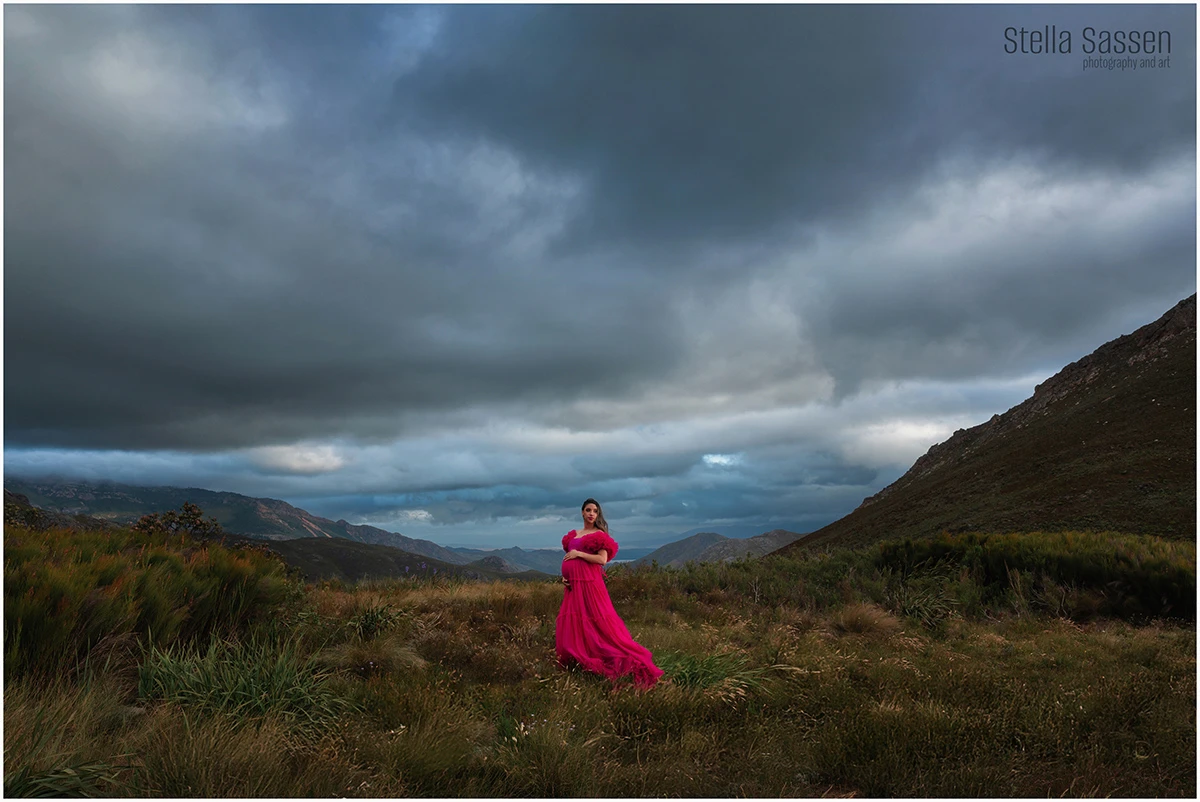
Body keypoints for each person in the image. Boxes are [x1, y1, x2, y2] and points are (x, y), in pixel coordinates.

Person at [555, 498, 663, 688]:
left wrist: (579, 554)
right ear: (582, 512)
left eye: (595, 511)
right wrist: (566, 578)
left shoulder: (599, 535)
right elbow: (569, 559)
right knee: (578, 622)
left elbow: (601, 560)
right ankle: (578, 659)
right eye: (588, 510)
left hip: (590, 585)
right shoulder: (574, 535)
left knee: (598, 622)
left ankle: (609, 657)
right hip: (573, 587)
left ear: (598, 515)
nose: (591, 514)